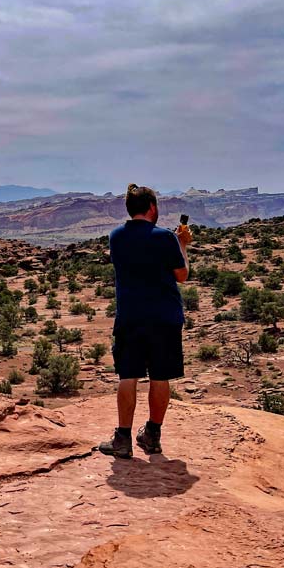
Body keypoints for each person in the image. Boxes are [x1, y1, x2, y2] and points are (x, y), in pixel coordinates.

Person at [99, 184, 192, 459]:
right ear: (152, 207)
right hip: (164, 317)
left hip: (131, 316)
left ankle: (123, 439)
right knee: (160, 376)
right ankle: (152, 435)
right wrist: (182, 245)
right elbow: (182, 275)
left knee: (128, 375)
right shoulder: (166, 238)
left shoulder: (116, 237)